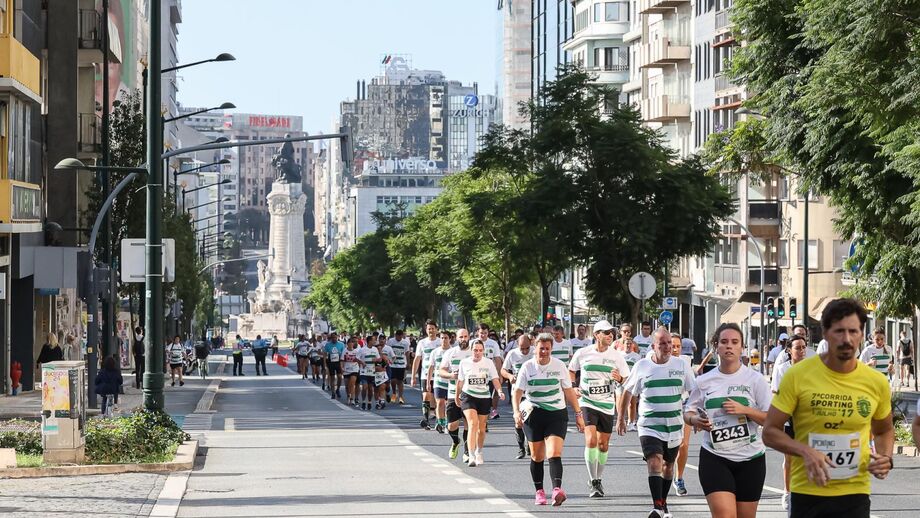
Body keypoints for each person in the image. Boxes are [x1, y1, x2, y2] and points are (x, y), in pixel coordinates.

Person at [763, 298, 894, 518]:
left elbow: (883, 430)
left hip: (855, 493)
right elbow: (770, 431)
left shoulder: (875, 382)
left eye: (853, 331)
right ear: (824, 334)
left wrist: (885, 457)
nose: (846, 339)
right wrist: (804, 450)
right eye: (839, 331)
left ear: (862, 335)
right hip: (808, 492)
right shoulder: (798, 375)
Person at [684, 323, 772, 518]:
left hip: (751, 459)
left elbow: (771, 420)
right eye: (724, 342)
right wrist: (696, 420)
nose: (729, 346)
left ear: (742, 347)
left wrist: (745, 410)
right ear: (716, 347)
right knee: (724, 515)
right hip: (715, 457)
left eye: (734, 342)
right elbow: (688, 413)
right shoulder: (704, 381)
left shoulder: (755, 380)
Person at [617, 327, 697, 518]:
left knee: (668, 466)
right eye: (663, 343)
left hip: (674, 425)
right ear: (654, 345)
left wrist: (694, 415)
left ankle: (663, 502)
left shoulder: (682, 365)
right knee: (654, 462)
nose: (668, 347)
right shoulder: (642, 366)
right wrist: (621, 418)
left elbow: (694, 392)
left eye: (669, 343)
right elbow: (628, 391)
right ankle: (657, 506)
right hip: (649, 425)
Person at [513, 332, 584, 507]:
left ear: (551, 349)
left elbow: (568, 391)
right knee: (537, 456)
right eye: (541, 348)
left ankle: (557, 490)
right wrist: (516, 412)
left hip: (556, 414)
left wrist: (578, 413)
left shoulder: (559, 366)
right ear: (534, 348)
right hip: (534, 414)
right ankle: (539, 492)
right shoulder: (527, 367)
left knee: (554, 453)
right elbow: (517, 392)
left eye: (547, 349)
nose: (544, 352)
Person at [568, 319, 630, 498]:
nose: (610, 335)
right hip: (587, 401)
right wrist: (573, 386)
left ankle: (599, 478)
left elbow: (627, 379)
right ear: (596, 335)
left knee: (603, 444)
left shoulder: (616, 355)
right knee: (590, 440)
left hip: (607, 403)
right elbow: (571, 370)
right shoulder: (583, 353)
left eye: (612, 332)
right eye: (606, 332)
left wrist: (619, 379)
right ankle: (593, 480)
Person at [772, 334, 809, 510]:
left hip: (808, 420)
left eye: (803, 347)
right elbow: (777, 395)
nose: (801, 351)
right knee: (790, 459)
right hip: (789, 420)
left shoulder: (813, 369)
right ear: (789, 350)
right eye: (797, 348)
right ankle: (787, 492)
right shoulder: (782, 369)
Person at [456, 338, 504, 467]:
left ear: (483, 351)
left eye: (480, 350)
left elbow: (495, 378)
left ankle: (479, 451)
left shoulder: (488, 363)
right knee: (473, 423)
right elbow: (460, 381)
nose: (477, 353)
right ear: (471, 350)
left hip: (483, 397)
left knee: (481, 429)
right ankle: (470, 454)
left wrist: (499, 391)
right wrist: (456, 396)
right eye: (475, 350)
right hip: (468, 396)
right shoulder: (464, 363)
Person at [439, 328, 472, 462]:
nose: (463, 339)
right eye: (461, 337)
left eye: (465, 337)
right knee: (452, 426)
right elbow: (441, 371)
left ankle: (467, 451)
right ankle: (455, 441)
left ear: (469, 337)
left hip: (469, 394)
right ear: (456, 338)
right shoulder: (450, 353)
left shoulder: (473, 352)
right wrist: (451, 375)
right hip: (453, 394)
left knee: (468, 424)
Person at [502, 332, 534, 459]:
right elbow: (503, 370)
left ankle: (530, 444)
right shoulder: (512, 354)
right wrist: (510, 376)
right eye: (522, 348)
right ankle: (521, 448)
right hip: (518, 391)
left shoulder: (535, 352)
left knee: (532, 420)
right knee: (519, 420)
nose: (525, 351)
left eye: (527, 348)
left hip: (532, 391)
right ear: (517, 345)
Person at [411, 320, 439, 429]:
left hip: (438, 375)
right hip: (425, 375)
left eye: (433, 328)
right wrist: (413, 377)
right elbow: (417, 359)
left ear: (436, 329)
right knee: (426, 396)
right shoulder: (422, 343)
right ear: (426, 330)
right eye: (429, 329)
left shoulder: (440, 342)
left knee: (438, 399)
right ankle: (426, 420)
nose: (431, 330)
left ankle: (439, 420)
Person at [428, 330, 455, 433]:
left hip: (450, 382)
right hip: (438, 381)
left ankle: (448, 422)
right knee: (440, 402)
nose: (444, 340)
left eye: (446, 338)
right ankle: (440, 422)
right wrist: (428, 382)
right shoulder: (435, 352)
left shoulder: (453, 351)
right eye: (442, 338)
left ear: (450, 339)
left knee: (449, 404)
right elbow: (431, 367)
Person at [386, 329, 410, 404]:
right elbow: (388, 350)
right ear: (395, 335)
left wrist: (408, 363)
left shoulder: (405, 343)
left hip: (401, 364)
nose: (399, 338)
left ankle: (400, 396)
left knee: (400, 381)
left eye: (401, 336)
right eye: (398, 336)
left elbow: (407, 353)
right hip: (392, 364)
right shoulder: (391, 341)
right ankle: (394, 393)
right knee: (393, 381)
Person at [357, 336, 380, 411]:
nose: (375, 341)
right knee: (365, 387)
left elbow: (379, 359)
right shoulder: (362, 349)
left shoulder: (375, 349)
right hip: (364, 371)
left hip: (372, 372)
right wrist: (362, 362)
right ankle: (363, 401)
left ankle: (369, 402)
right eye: (374, 340)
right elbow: (356, 358)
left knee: (370, 389)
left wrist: (376, 360)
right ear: (369, 341)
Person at [324, 332, 346, 399]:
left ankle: (338, 389)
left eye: (335, 337)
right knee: (332, 378)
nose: (334, 339)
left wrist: (343, 365)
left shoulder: (341, 344)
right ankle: (333, 392)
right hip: (331, 362)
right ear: (331, 338)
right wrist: (325, 364)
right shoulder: (327, 345)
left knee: (339, 377)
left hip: (339, 362)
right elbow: (325, 355)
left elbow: (343, 355)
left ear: (337, 337)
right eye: (333, 337)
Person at [342, 337, 361, 406]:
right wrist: (342, 367)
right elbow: (342, 360)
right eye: (350, 342)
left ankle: (353, 399)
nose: (352, 344)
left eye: (353, 342)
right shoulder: (344, 351)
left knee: (353, 384)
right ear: (347, 344)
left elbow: (359, 360)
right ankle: (348, 396)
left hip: (355, 369)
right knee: (347, 386)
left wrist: (361, 368)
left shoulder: (357, 350)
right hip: (346, 370)